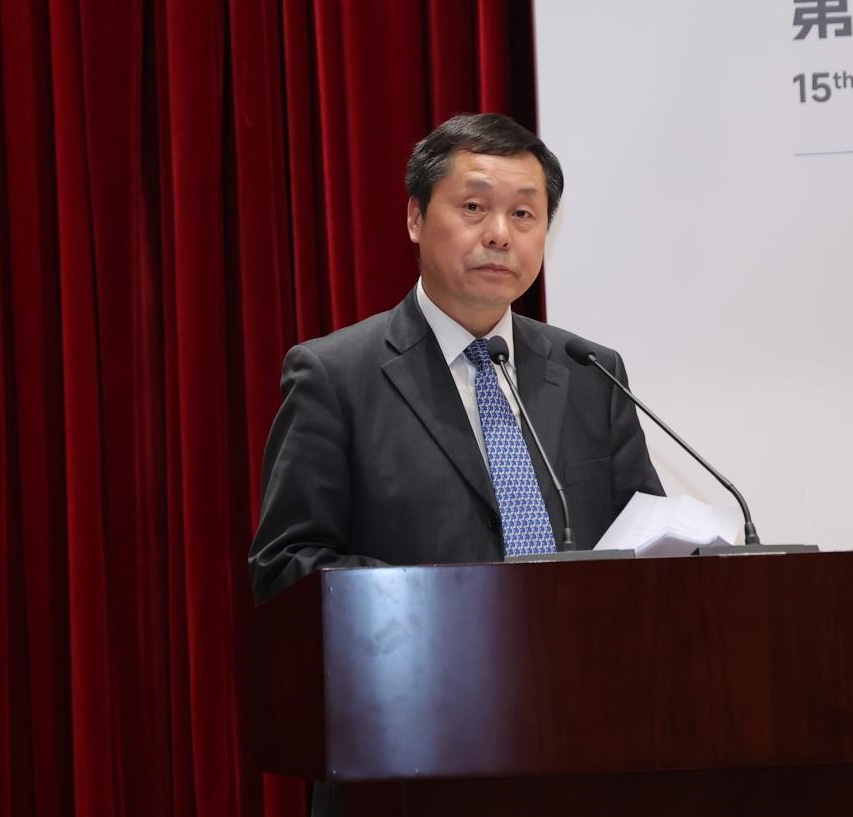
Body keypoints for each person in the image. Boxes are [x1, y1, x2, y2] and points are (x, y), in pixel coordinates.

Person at [249, 112, 663, 603]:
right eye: (473, 207)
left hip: (577, 649)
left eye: (523, 214)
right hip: (417, 649)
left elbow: (650, 545)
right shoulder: (335, 377)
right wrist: (449, 603)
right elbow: (287, 566)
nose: (500, 234)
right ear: (415, 218)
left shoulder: (591, 371)